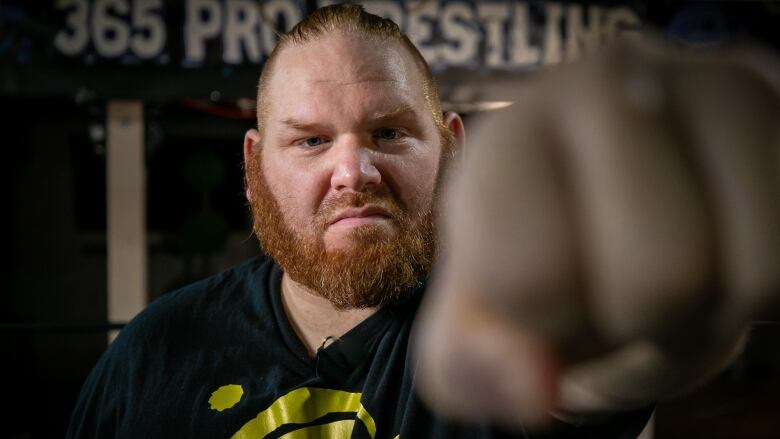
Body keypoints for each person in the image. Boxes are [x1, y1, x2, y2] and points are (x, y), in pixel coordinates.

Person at [66, 4, 779, 438]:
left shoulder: (502, 320)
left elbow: (584, 377)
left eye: (389, 133)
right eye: (311, 140)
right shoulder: (152, 352)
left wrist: (626, 316)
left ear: (454, 150)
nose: (354, 171)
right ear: (254, 167)